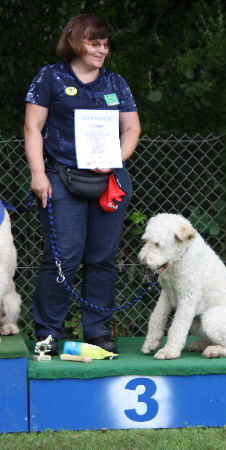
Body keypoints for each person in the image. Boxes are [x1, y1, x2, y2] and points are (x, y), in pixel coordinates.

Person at [24, 13, 141, 354]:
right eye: (94, 43)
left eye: (105, 44)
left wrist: (116, 159)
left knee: (103, 258)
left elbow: (132, 129)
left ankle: (98, 331)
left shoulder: (115, 83)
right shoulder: (51, 77)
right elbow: (33, 127)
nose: (102, 50)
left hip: (109, 181)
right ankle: (48, 334)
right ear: (76, 41)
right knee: (64, 258)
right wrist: (37, 173)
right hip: (61, 178)